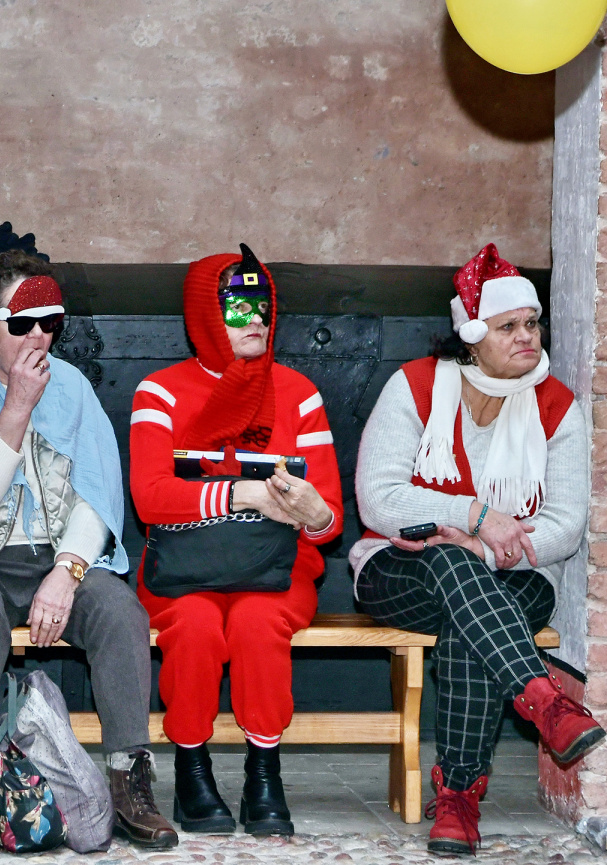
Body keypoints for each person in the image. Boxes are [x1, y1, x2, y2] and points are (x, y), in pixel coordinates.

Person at [0, 246, 178, 850]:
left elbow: (97, 495)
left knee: (119, 610)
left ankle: (130, 782)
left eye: (50, 322)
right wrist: (16, 408)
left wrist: (68, 571)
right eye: (22, 322)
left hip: (53, 557)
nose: (38, 337)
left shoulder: (73, 386)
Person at [351, 244, 604, 856]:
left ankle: (457, 798)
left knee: (469, 609)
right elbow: (377, 500)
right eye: (507, 326)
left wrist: (482, 549)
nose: (527, 337)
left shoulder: (556, 406)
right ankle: (542, 701)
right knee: (451, 561)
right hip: (401, 569)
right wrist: (478, 516)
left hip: (512, 577)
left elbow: (564, 526)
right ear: (470, 337)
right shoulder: (414, 386)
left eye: (532, 323)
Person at [129, 245, 344, 837]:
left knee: (256, 623)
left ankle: (263, 772)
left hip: (278, 569)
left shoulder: (299, 393)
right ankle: (192, 770)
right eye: (238, 308)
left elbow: (328, 524)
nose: (256, 320)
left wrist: (316, 513)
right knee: (195, 626)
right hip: (182, 569)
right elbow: (150, 498)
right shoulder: (159, 392)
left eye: (264, 307)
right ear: (205, 315)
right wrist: (243, 495)